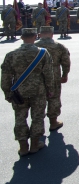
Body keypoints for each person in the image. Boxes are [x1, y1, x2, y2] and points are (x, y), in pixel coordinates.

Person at [1, 27, 55, 156]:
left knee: (20, 118)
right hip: (38, 90)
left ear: (21, 37)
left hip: (19, 92)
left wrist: (7, 93)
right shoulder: (42, 53)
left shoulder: (11, 55)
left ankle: (23, 147)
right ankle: (35, 145)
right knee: (37, 117)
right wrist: (50, 90)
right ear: (36, 36)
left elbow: (5, 78)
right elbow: (48, 74)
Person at [36, 25, 70, 133]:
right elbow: (66, 62)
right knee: (54, 98)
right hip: (54, 74)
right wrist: (65, 74)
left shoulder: (34, 46)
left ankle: (38, 126)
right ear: (52, 34)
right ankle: (53, 122)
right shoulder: (59, 46)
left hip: (36, 76)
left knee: (37, 101)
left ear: (40, 34)